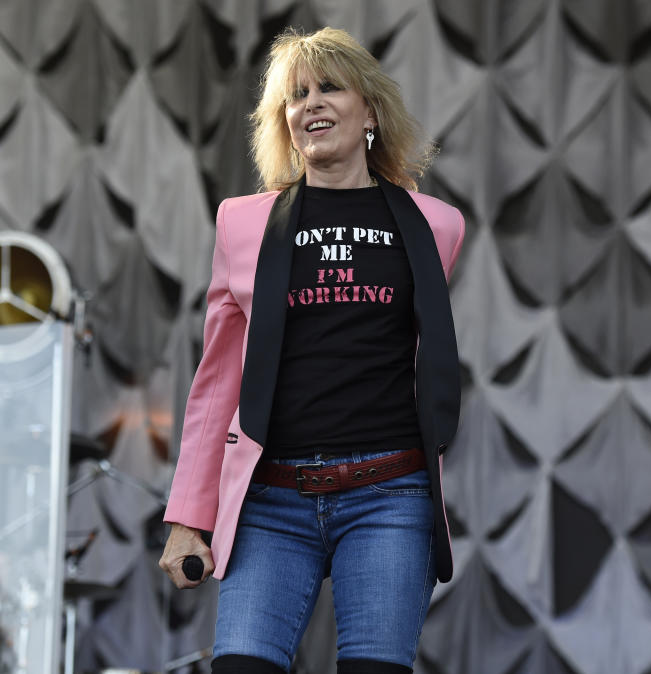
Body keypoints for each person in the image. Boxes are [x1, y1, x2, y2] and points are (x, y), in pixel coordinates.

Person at [158, 27, 464, 674]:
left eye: (329, 87)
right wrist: (190, 515)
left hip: (389, 494)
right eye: (295, 96)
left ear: (370, 112)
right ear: (284, 122)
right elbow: (217, 383)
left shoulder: (436, 225)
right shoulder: (242, 224)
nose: (310, 103)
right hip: (271, 500)